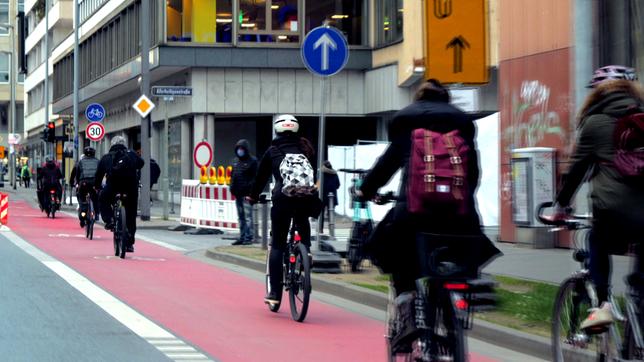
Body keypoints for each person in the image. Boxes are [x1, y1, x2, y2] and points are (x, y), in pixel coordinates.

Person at [357, 80, 500, 343]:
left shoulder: (407, 124)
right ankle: (452, 305)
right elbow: (473, 174)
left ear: (417, 99)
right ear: (446, 100)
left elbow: (385, 166)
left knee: (391, 248)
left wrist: (364, 190)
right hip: (459, 216)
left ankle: (407, 302)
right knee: (454, 260)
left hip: (413, 212)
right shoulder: (462, 126)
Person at [552, 65, 644, 331]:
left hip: (614, 210)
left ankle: (602, 305)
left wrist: (561, 204)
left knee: (598, 238)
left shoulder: (595, 123)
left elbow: (576, 172)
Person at [248, 114, 318, 304]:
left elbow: (261, 178)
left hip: (283, 198)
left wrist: (253, 196)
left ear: (277, 130)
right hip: (305, 197)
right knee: (302, 220)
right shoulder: (306, 148)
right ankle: (306, 251)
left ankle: (275, 295)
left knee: (278, 244)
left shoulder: (272, 150)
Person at [95, 136, 144, 252]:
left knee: (103, 199)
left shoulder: (106, 157)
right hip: (130, 188)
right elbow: (141, 163)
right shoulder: (131, 154)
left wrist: (97, 187)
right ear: (124, 144)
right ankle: (129, 243)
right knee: (131, 214)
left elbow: (99, 175)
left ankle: (110, 221)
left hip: (113, 187)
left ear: (111, 144)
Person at [230, 139, 258, 245]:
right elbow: (233, 176)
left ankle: (248, 237)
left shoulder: (252, 161)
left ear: (246, 149)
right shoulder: (235, 162)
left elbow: (255, 178)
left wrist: (251, 190)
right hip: (237, 194)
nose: (239, 151)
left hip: (247, 194)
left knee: (247, 217)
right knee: (241, 217)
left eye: (241, 149)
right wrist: (232, 188)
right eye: (238, 149)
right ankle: (242, 237)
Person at [71, 147, 100, 227]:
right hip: (94, 183)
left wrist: (77, 183)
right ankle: (96, 214)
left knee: (82, 197)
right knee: (95, 198)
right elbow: (99, 173)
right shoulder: (97, 161)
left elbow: (77, 174)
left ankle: (83, 212)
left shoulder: (80, 162)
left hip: (84, 183)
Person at [319, 160, 340, 234]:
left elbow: (318, 185)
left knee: (320, 214)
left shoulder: (321, 173)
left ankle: (320, 229)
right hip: (332, 196)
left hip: (322, 196)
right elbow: (338, 185)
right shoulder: (334, 173)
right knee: (330, 213)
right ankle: (331, 230)